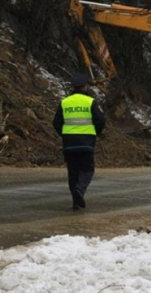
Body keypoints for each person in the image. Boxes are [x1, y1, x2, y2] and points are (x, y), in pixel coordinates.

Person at [52, 74, 105, 210]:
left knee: (73, 172)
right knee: (87, 169)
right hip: (86, 141)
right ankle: (80, 190)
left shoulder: (65, 102)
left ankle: (76, 202)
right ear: (85, 87)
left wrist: (64, 135)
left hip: (69, 142)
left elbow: (56, 123)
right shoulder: (90, 102)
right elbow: (100, 120)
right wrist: (95, 133)